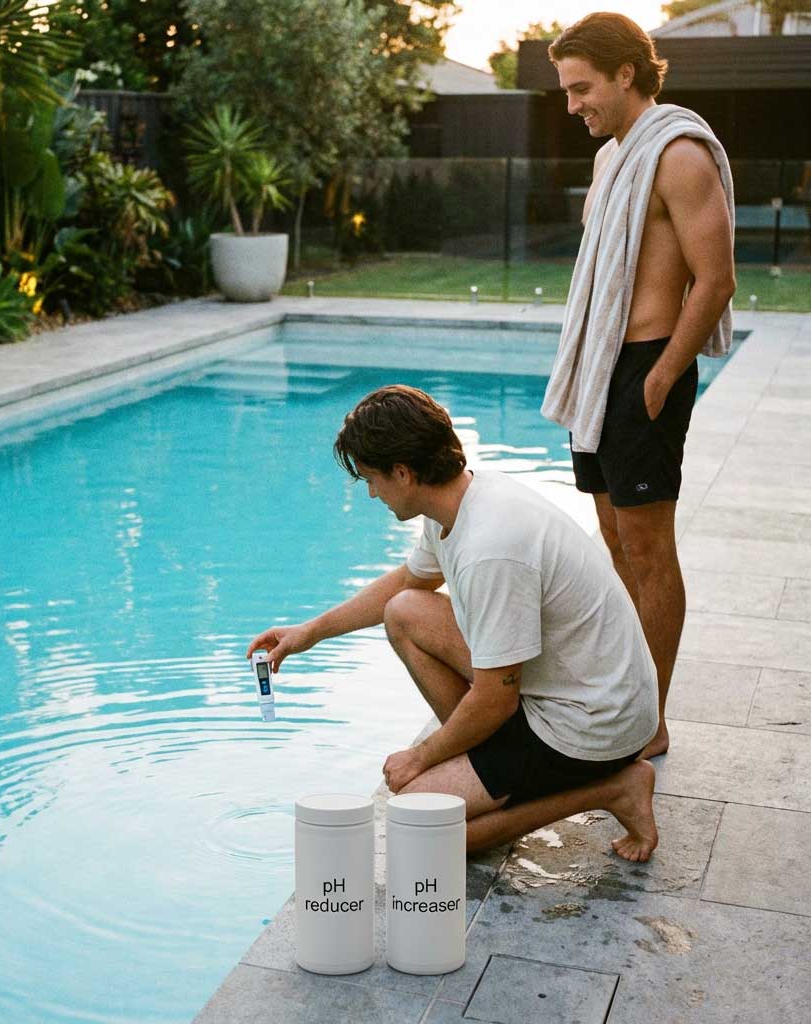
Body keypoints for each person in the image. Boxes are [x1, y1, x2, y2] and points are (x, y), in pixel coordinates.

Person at [247, 385, 660, 862]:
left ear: (402, 473)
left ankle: (614, 789)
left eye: (371, 480)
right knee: (405, 610)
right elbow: (407, 581)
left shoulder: (491, 547)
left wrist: (421, 757)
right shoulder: (457, 501)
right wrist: (309, 632)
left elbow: (496, 697)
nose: (371, 493)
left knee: (421, 827)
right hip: (571, 687)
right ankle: (491, 769)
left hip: (592, 721)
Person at [542, 14, 737, 760]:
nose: (573, 105)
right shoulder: (611, 159)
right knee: (616, 539)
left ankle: (651, 716)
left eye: (581, 87)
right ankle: (627, 693)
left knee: (650, 550)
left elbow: (715, 282)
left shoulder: (679, 155)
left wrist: (659, 378)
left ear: (627, 73)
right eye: (565, 90)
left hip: (645, 370)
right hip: (600, 372)